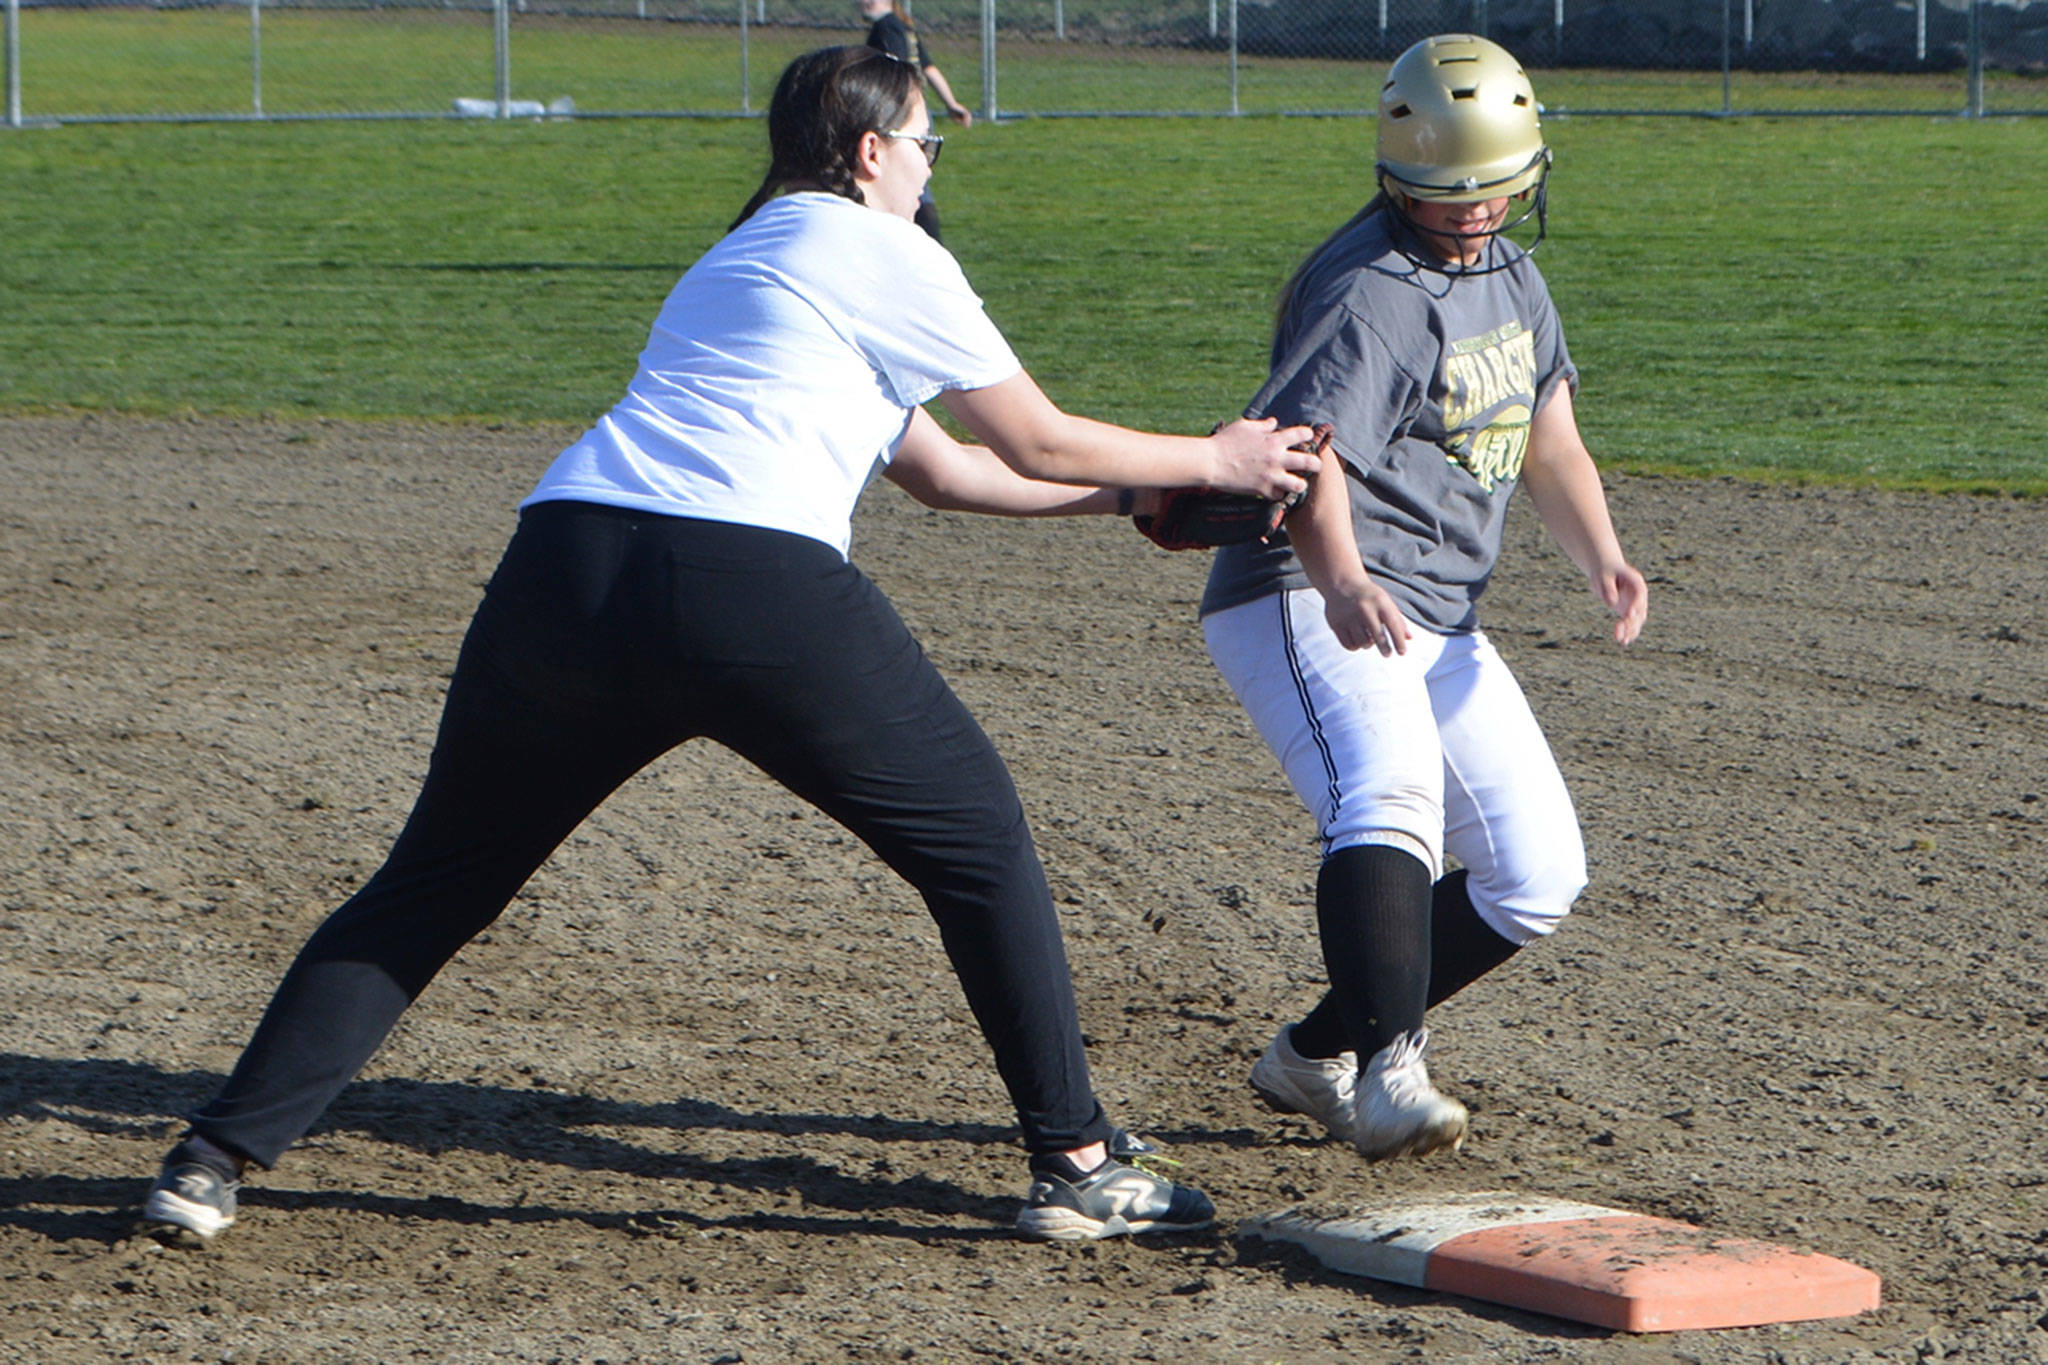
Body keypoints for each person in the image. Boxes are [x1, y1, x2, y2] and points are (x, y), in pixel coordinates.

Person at [138, 44, 1319, 1249]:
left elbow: (947, 473)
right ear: (869, 151)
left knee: (435, 882)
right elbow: (1039, 440)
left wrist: (1139, 499)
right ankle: (1075, 1162)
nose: (930, 166)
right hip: (745, 584)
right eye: (924, 144)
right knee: (978, 839)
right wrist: (1214, 458)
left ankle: (210, 1158)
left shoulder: (743, 254)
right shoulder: (885, 250)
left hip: (563, 569)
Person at [1198, 34, 1649, 1163]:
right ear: (1396, 179)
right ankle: (1387, 1070)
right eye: (1449, 194)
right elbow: (1305, 460)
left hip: (1432, 610)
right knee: (1386, 796)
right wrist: (1343, 578)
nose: (1476, 213)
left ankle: (1312, 1055)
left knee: (1535, 872)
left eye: (1498, 189)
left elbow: (1549, 436)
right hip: (1306, 587)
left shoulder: (1511, 276)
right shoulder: (1371, 292)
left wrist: (1600, 554)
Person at [860, 0, 970, 241]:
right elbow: (928, 67)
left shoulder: (886, 27)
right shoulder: (901, 25)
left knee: (905, 184)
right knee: (911, 183)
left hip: (902, 115)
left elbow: (897, 71)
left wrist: (894, 114)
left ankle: (929, 244)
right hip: (917, 113)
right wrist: (951, 103)